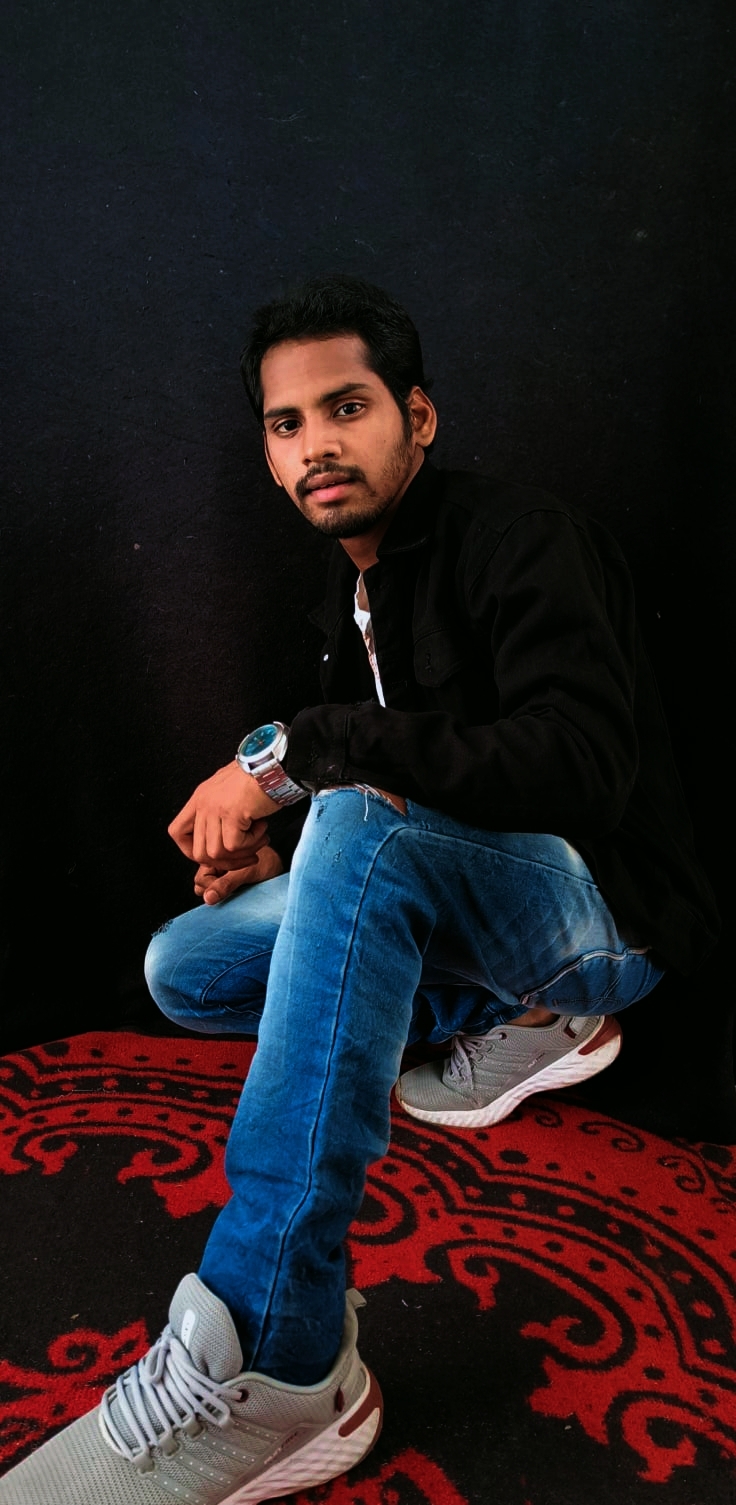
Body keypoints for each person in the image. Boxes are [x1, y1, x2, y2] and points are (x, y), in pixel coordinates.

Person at [1, 275, 719, 1504]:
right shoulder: (351, 596)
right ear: (267, 452)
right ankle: (510, 1020)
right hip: (462, 901)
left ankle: (274, 1347)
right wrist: (292, 865)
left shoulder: (523, 536)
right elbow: (408, 812)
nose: (316, 444)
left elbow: (580, 772)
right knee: (183, 965)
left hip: (606, 913)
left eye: (347, 407)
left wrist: (295, 755)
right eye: (286, 423)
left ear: (415, 417)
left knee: (346, 815)